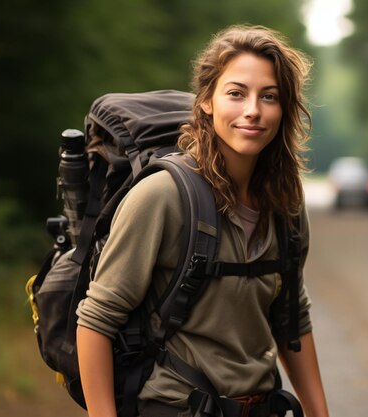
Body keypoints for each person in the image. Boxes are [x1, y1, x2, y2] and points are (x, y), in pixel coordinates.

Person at [76, 25, 330, 417]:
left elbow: (292, 318)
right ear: (207, 102)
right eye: (236, 93)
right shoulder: (162, 196)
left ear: (285, 109)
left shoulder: (286, 205)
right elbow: (96, 320)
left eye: (270, 97)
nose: (253, 110)